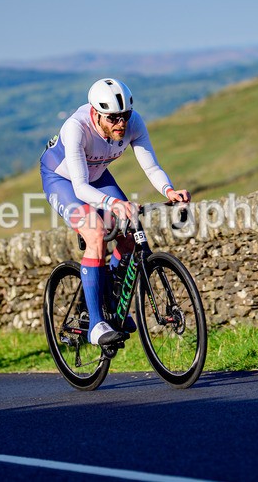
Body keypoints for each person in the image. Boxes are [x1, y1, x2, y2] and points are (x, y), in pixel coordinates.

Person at [40, 78, 190, 345]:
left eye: (125, 116)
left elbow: (152, 167)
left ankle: (111, 298)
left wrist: (169, 190)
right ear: (96, 114)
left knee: (130, 231)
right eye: (113, 118)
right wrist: (113, 204)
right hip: (62, 180)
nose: (121, 123)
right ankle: (96, 324)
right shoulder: (76, 128)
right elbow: (81, 188)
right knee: (96, 233)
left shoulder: (134, 123)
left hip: (96, 177)